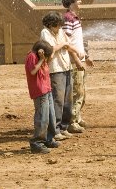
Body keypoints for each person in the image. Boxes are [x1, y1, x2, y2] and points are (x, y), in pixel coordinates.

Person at [40, 11, 78, 140]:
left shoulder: (60, 32)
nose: (60, 28)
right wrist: (64, 45)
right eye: (58, 25)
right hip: (55, 69)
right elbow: (51, 49)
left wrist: (76, 52)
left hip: (66, 66)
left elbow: (67, 45)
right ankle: (55, 130)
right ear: (51, 25)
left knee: (68, 100)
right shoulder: (45, 33)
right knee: (58, 100)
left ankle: (64, 127)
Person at [61, 0, 94, 133]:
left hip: (79, 59)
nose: (80, 2)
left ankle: (77, 117)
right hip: (74, 62)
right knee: (77, 92)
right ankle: (72, 121)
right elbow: (66, 42)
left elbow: (77, 41)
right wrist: (76, 59)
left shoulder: (74, 18)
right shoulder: (68, 19)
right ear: (72, 2)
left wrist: (85, 56)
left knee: (82, 92)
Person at [25, 40, 61, 153]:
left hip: (47, 90)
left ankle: (48, 139)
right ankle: (37, 142)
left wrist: (44, 57)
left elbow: (48, 62)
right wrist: (41, 59)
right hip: (40, 91)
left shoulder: (41, 58)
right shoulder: (32, 56)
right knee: (42, 117)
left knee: (51, 116)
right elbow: (33, 71)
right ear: (40, 51)